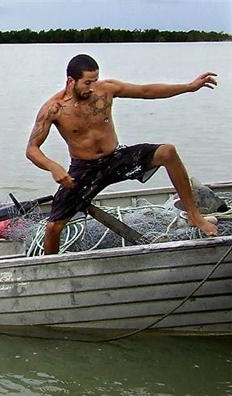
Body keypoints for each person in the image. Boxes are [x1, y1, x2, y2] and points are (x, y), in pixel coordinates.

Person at [25, 54, 218, 255]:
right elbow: (32, 149)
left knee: (167, 152)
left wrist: (189, 86)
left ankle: (194, 216)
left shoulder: (106, 90)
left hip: (116, 158)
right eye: (87, 82)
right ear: (70, 81)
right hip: (84, 169)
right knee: (53, 227)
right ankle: (51, 268)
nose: (92, 87)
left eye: (95, 81)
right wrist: (53, 167)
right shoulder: (53, 109)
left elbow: (146, 91)